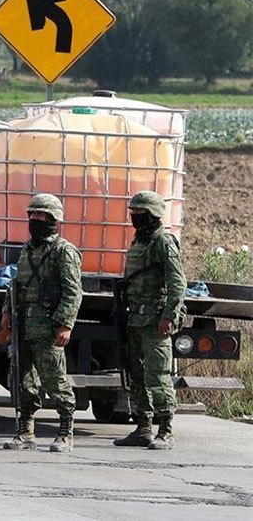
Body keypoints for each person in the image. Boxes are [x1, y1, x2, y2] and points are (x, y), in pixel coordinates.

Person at [0, 194, 83, 453]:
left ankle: (65, 432)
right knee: (23, 380)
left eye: (41, 216)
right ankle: (25, 431)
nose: (35, 220)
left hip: (48, 327)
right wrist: (6, 313)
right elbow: (16, 285)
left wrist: (66, 324)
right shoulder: (27, 250)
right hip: (24, 324)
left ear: (53, 219)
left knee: (54, 380)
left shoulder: (64, 251)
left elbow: (73, 292)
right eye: (32, 215)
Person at [113, 191, 185, 451]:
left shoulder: (163, 242)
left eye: (139, 214)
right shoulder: (139, 241)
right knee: (137, 375)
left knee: (157, 375)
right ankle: (143, 427)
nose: (135, 218)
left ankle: (165, 430)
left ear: (153, 215)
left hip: (155, 321)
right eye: (132, 213)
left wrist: (169, 315)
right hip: (134, 318)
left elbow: (177, 282)